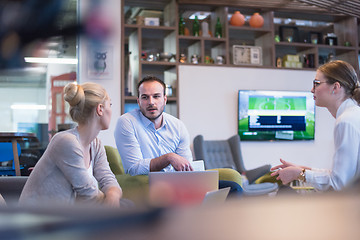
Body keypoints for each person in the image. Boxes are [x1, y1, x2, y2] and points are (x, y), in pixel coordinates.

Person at [114, 76, 242, 195]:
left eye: (156, 96)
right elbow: (134, 168)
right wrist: (169, 158)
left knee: (232, 188)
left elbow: (187, 167)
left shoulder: (177, 126)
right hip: (150, 187)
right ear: (138, 101)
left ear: (165, 99)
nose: (151, 102)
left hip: (181, 184)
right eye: (145, 97)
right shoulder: (127, 122)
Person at [19, 82, 122, 207]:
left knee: (125, 206)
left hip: (66, 217)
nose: (111, 110)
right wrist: (111, 203)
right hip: (38, 219)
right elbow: (88, 193)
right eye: (109, 105)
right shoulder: (66, 141)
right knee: (126, 207)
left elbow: (108, 180)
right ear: (100, 109)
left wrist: (113, 196)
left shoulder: (96, 144)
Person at [271, 60, 360, 191]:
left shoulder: (345, 121)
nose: (312, 89)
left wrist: (300, 174)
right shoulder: (353, 114)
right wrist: (301, 169)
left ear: (335, 87)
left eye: (316, 84)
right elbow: (341, 176)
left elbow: (338, 184)